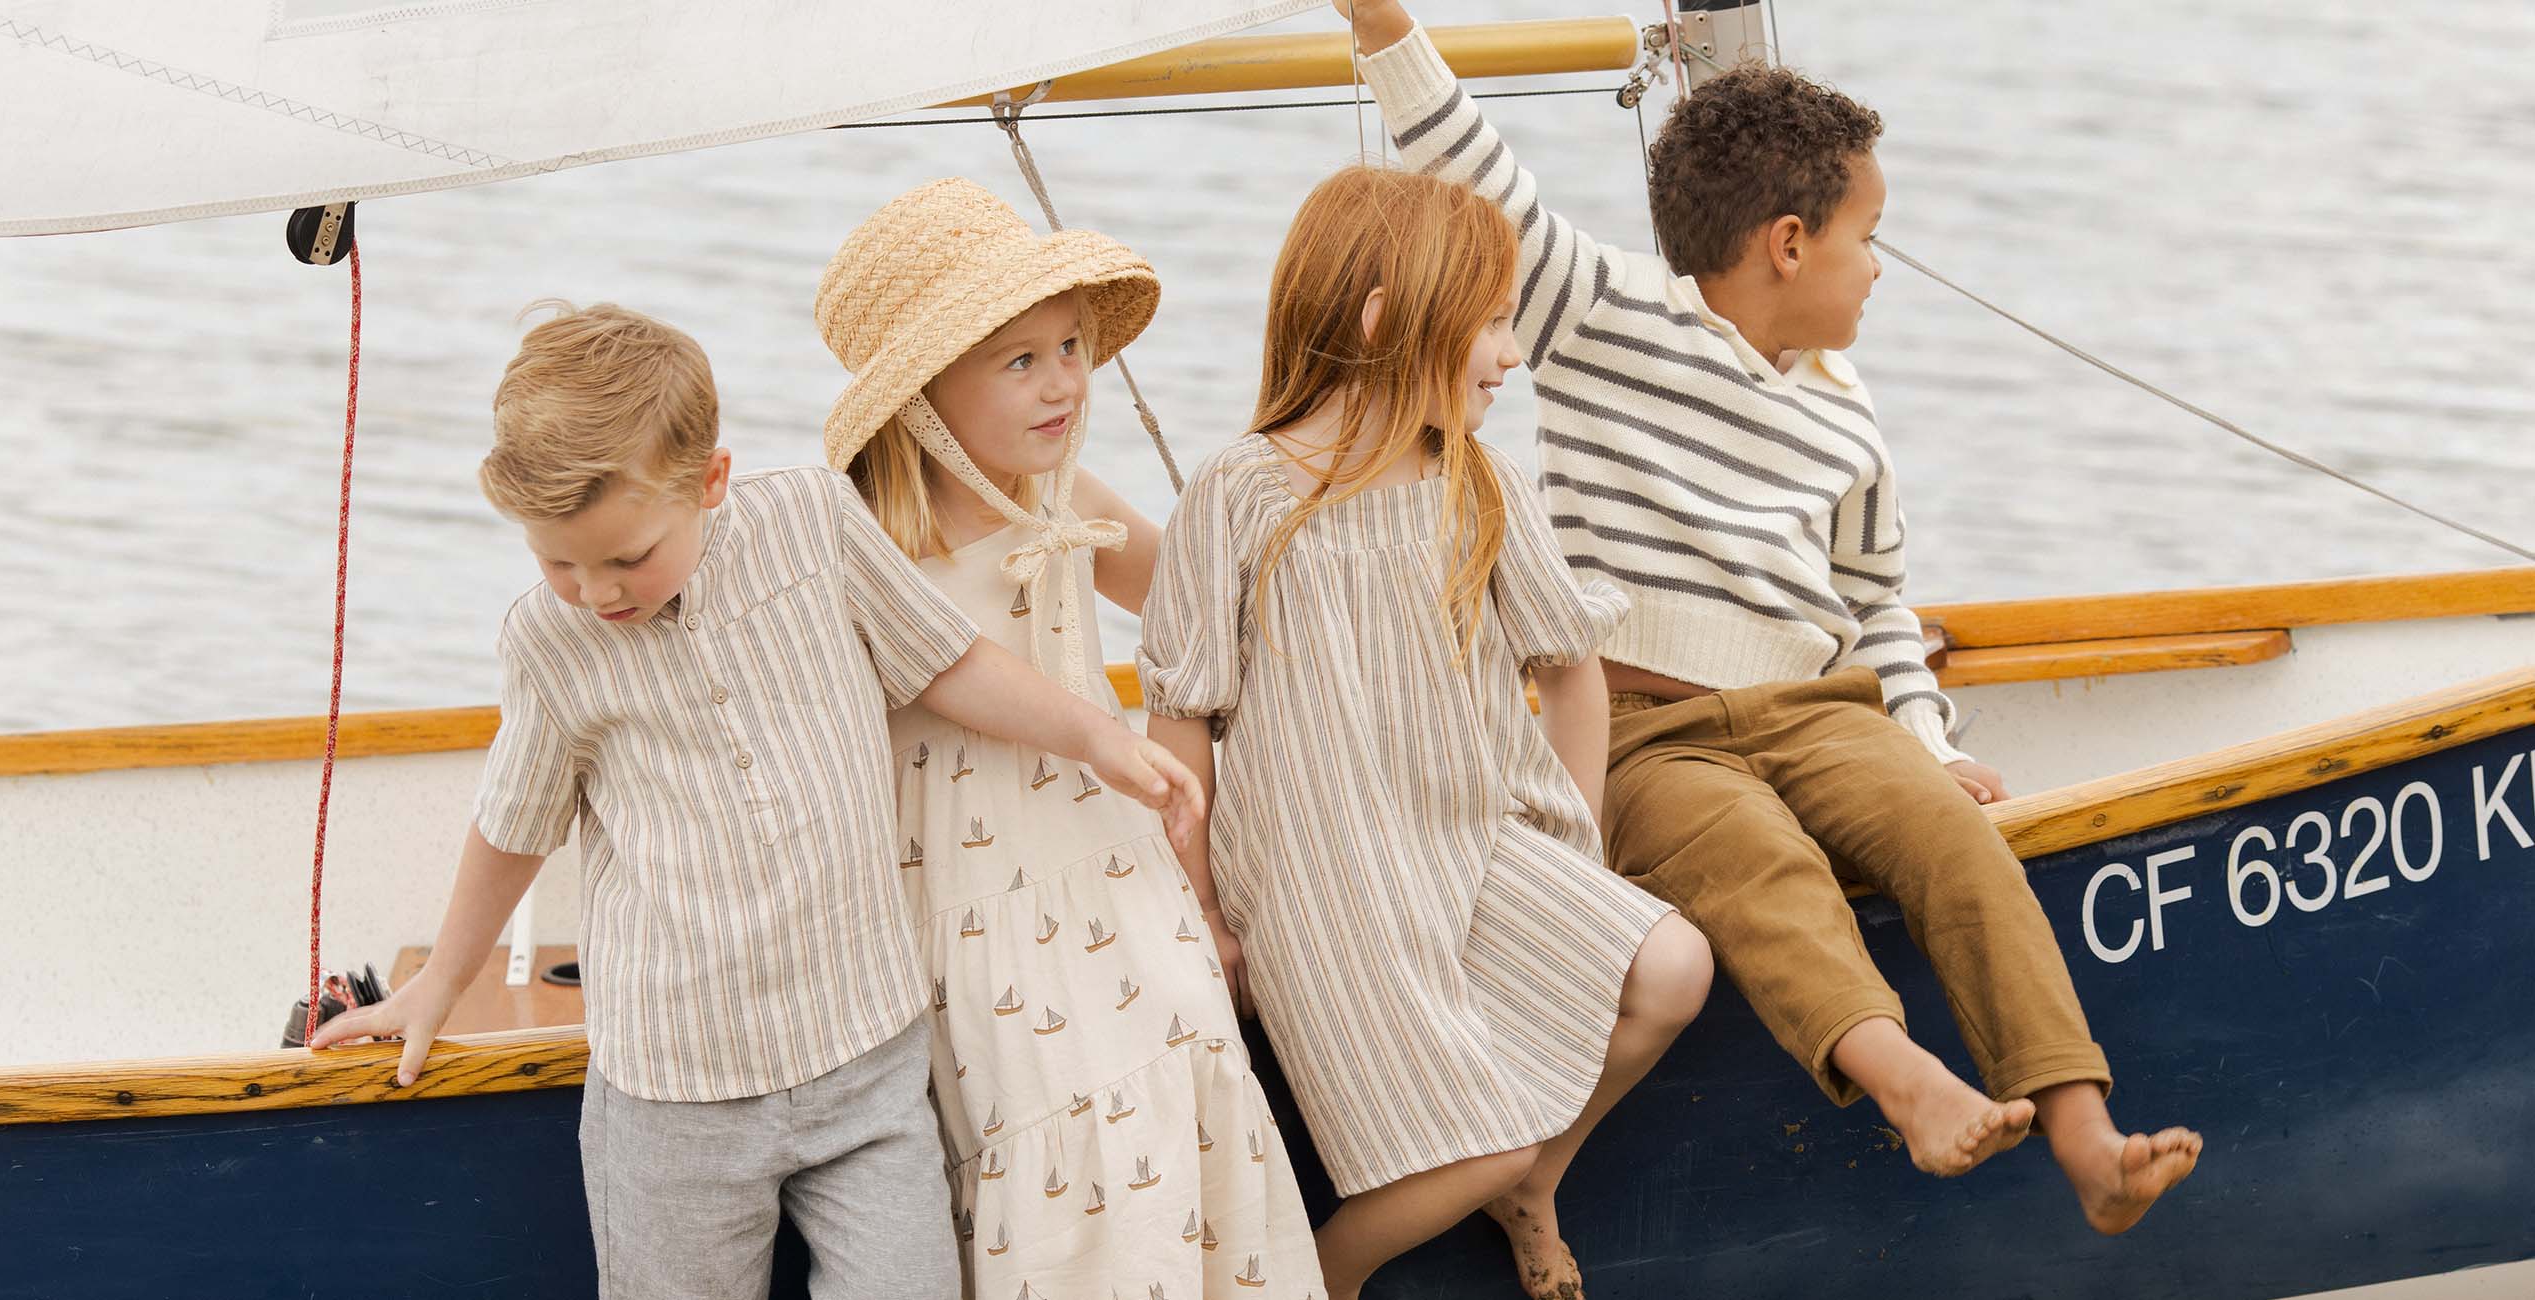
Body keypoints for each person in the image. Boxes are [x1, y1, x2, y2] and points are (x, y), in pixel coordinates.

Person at [1342, 0, 2201, 1235]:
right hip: (1651, 731)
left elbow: (1873, 601)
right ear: (1789, 244)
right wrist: (1380, 24)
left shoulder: (1846, 413)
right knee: (1757, 864)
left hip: (1818, 710)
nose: (1879, 265)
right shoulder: (1596, 315)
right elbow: (1466, 158)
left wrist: (1928, 742)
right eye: (1870, 237)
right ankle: (1908, 1089)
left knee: (1957, 849)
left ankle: (2084, 1140)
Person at [311, 301, 1204, 1297]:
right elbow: (513, 825)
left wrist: (1097, 737)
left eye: (625, 557)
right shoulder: (547, 639)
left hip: (863, 1060)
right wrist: (437, 983)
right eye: (556, 561)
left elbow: (947, 659)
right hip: (672, 1092)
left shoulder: (812, 523)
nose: (597, 591)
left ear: (712, 482)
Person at [1139, 165, 1713, 1300]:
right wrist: (1199, 913)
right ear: (1382, 319)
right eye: (1489, 322)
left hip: (1477, 838)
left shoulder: (1477, 481)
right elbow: (1181, 721)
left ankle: (1536, 1183)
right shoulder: (1239, 494)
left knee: (1671, 967)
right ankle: (1320, 1276)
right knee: (1474, 1140)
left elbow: (1569, 670)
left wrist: (1575, 841)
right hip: (1326, 878)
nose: (1510, 354)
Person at [819, 178, 1325, 1299]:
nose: (1062, 382)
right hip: (972, 889)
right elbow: (923, 684)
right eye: (1018, 361)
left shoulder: (1054, 487)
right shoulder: (867, 539)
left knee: (1190, 1038)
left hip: (1107, 858)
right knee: (1059, 1100)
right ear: (920, 394)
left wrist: (1302, 521)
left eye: (1068, 347)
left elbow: (1193, 597)